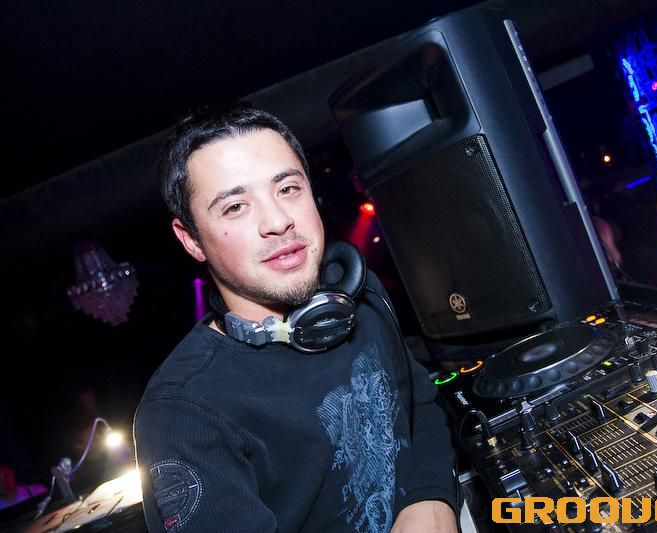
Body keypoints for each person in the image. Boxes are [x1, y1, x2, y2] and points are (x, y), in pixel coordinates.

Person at [133, 102, 458, 533]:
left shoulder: (359, 293)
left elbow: (419, 403)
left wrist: (431, 499)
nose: (278, 220)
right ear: (191, 240)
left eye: (287, 188)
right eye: (235, 207)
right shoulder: (182, 413)